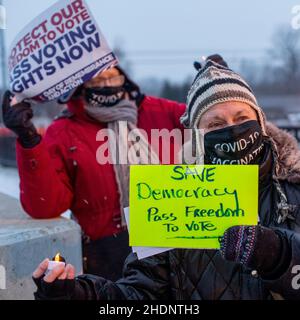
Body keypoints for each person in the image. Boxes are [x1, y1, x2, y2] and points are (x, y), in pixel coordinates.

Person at [31, 59, 300, 300]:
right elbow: (140, 294)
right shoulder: (172, 197)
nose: (231, 129)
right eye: (215, 125)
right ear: (196, 136)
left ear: (261, 123)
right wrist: (75, 294)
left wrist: (279, 256)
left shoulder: (295, 186)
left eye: (242, 118)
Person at [2, 65, 186, 281]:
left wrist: (218, 87)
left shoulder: (159, 113)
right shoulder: (65, 131)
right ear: (80, 87)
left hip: (176, 245)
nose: (107, 85)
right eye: (97, 81)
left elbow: (211, 122)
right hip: (108, 261)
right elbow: (46, 204)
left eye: (112, 77)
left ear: (124, 79)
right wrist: (29, 139)